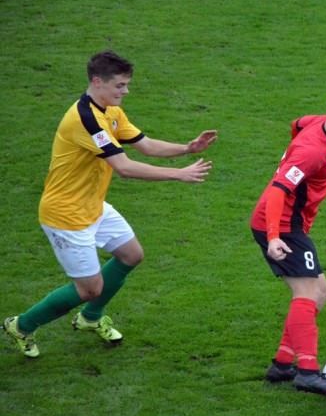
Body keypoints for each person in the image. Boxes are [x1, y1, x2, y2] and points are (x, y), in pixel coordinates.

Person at [2, 50, 217, 358]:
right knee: (90, 289)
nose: (125, 91)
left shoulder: (111, 111)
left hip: (93, 205)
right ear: (97, 81)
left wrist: (187, 148)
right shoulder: (86, 120)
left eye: (126, 84)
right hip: (66, 215)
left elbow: (145, 145)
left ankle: (90, 318)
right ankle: (21, 325)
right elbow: (124, 168)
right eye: (120, 85)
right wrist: (178, 174)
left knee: (131, 255)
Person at [250, 89, 326, 398]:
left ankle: (282, 364)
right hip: (281, 225)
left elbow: (297, 123)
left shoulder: (321, 124)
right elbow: (278, 190)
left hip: (291, 224)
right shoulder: (312, 153)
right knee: (307, 293)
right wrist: (274, 236)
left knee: (320, 293)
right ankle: (307, 372)